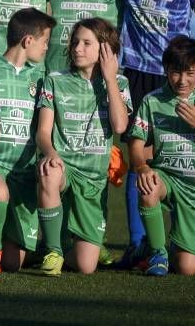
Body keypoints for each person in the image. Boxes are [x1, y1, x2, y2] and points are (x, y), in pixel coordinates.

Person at [110, 0, 195, 268]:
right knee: (138, 155)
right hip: (135, 72)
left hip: (177, 74)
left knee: (181, 152)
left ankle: (181, 236)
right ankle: (140, 242)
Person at [36, 17, 131, 275]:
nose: (77, 48)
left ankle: (63, 239)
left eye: (87, 43)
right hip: (64, 168)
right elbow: (43, 132)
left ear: (105, 49)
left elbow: (120, 126)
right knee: (49, 172)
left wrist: (110, 80)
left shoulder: (119, 84)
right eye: (75, 42)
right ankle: (53, 250)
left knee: (86, 267)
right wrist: (51, 153)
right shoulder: (55, 80)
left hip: (94, 180)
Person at [0, 8, 56, 274]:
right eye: (45, 42)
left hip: (24, 175)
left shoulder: (40, 78)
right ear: (27, 41)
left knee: (13, 265)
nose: (46, 49)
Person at [129, 35, 195, 276]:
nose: (182, 80)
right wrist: (142, 168)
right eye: (176, 72)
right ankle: (158, 252)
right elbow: (136, 145)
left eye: (190, 73)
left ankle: (171, 245)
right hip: (168, 178)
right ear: (166, 70)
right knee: (149, 184)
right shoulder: (152, 100)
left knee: (188, 268)